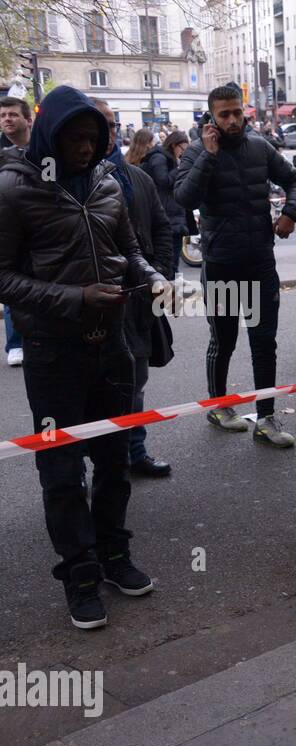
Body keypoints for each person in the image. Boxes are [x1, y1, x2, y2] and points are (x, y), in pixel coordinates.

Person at [0, 85, 170, 627]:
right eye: (74, 138)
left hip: (112, 344)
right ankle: (79, 574)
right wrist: (75, 299)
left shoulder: (106, 182)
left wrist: (151, 276)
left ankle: (115, 555)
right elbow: (3, 278)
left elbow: (130, 251)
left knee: (116, 459)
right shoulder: (11, 189)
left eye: (92, 139)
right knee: (61, 469)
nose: (84, 148)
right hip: (53, 353)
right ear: (49, 133)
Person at [175, 83, 296, 448]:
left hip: (260, 261)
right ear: (211, 117)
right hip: (221, 263)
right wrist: (209, 156)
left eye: (237, 112)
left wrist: (291, 213)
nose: (233, 120)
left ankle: (266, 418)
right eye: (224, 114)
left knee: (264, 343)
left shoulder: (260, 147)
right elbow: (184, 197)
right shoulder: (198, 152)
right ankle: (218, 407)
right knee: (225, 340)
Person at [91, 98, 175, 480]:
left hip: (136, 301)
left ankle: (134, 452)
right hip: (90, 307)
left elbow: (161, 227)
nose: (106, 134)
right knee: (90, 392)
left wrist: (160, 275)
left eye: (111, 125)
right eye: (98, 125)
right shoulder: (65, 181)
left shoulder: (137, 178)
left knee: (135, 383)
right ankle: (94, 464)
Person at [1, 96, 34, 367]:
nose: (7, 119)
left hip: (39, 231)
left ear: (28, 120)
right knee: (13, 287)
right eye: (3, 116)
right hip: (10, 233)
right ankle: (15, 343)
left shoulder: (44, 153)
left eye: (12, 114)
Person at [143, 130, 194, 278]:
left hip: (172, 215)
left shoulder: (166, 158)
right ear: (173, 145)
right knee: (169, 264)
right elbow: (163, 180)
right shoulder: (159, 157)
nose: (183, 153)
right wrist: (179, 168)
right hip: (167, 216)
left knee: (172, 264)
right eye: (182, 149)